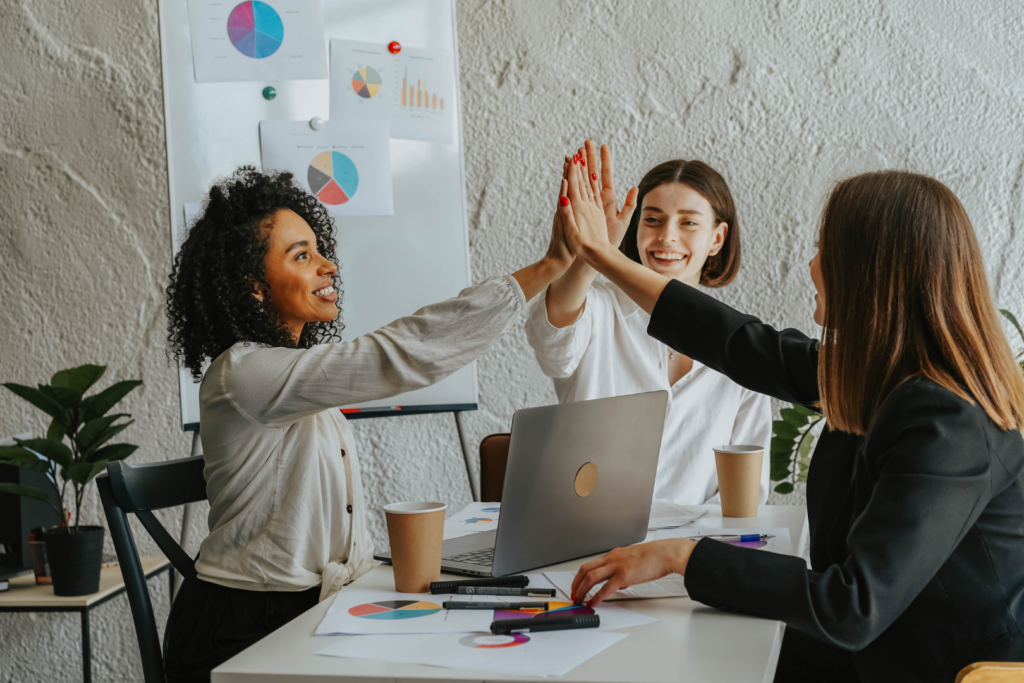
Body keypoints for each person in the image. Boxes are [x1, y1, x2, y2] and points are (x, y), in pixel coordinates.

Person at [558, 147, 1024, 682]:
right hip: (879, 650)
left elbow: (850, 606)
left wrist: (683, 556)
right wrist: (602, 256)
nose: (811, 267)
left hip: (937, 668)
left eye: (825, 250)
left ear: (872, 275)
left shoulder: (948, 419)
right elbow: (738, 342)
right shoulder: (885, 377)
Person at [162, 166, 575, 682]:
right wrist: (550, 266)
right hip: (243, 629)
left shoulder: (289, 374)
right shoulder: (245, 373)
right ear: (253, 288)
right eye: (302, 256)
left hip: (310, 610)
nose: (328, 266)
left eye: (319, 249)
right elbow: (396, 355)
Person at [526, 142, 770, 505]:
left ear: (717, 239)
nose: (667, 236)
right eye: (652, 219)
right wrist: (594, 251)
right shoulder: (597, 308)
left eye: (688, 222)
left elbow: (746, 493)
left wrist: (687, 555)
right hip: (588, 544)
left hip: (690, 552)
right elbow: (551, 341)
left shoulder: (742, 344)